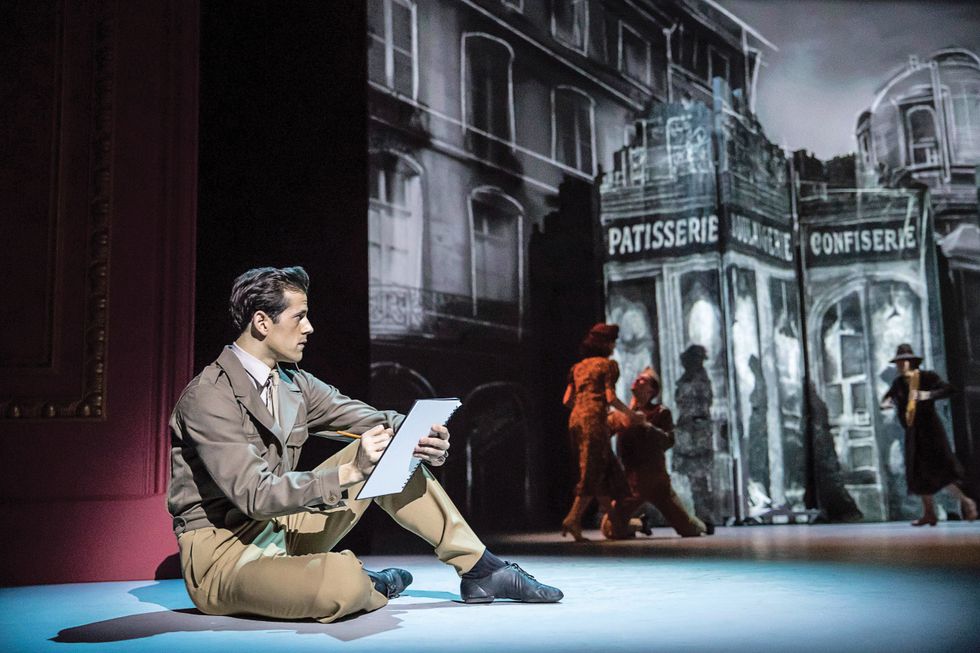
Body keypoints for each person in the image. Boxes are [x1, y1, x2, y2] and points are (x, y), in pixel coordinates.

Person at [168, 266, 562, 623]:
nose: (309, 328)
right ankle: (358, 580)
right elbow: (254, 495)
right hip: (226, 556)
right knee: (341, 584)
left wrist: (421, 436)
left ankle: (482, 569)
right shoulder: (208, 396)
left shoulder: (294, 383)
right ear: (261, 322)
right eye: (299, 316)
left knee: (390, 447)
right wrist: (349, 471)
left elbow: (374, 420)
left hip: (284, 529)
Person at [602, 367, 712, 539]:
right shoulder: (623, 415)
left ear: (651, 390)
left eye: (643, 380)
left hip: (655, 481)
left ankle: (703, 525)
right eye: (638, 378)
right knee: (609, 528)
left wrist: (647, 426)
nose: (637, 380)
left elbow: (668, 441)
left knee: (688, 528)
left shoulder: (660, 412)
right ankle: (640, 524)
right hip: (631, 483)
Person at [879, 344, 977, 526]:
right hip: (912, 432)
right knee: (919, 474)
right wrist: (887, 403)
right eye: (899, 363)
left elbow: (949, 389)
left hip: (930, 431)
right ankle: (929, 513)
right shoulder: (898, 383)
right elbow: (888, 397)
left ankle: (966, 502)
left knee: (940, 471)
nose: (901, 366)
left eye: (904, 362)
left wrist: (927, 395)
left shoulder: (926, 377)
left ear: (912, 362)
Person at [560, 323, 638, 541]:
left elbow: (567, 400)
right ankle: (572, 518)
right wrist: (630, 414)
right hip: (594, 420)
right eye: (612, 341)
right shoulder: (607, 365)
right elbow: (610, 397)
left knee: (601, 468)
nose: (614, 346)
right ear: (605, 344)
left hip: (575, 419)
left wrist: (583, 406)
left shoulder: (577, 367)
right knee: (593, 471)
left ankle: (616, 521)